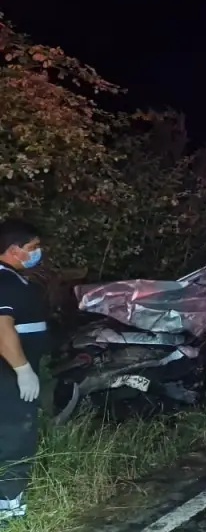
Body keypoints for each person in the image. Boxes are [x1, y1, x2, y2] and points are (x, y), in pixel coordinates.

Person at [0, 220, 49, 523]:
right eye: (32, 248)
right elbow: (2, 328)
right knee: (15, 436)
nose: (37, 253)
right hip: (8, 377)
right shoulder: (3, 282)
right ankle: (7, 508)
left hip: (10, 374)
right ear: (14, 250)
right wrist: (22, 370)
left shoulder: (13, 280)